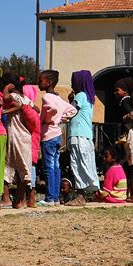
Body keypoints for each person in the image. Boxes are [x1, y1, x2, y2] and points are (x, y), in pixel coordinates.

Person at [38, 69, 76, 206]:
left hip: (48, 135)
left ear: (49, 82)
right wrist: (61, 119)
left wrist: (48, 119)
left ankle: (49, 198)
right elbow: (73, 110)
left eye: (40, 80)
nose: (38, 83)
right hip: (57, 135)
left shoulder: (47, 97)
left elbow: (51, 108)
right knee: (55, 166)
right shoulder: (59, 98)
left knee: (48, 167)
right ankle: (54, 197)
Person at [0, 73, 35, 208]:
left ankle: (7, 198)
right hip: (26, 136)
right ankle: (19, 200)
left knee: (8, 166)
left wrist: (6, 89)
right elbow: (35, 109)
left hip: (15, 136)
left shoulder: (14, 96)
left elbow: (6, 98)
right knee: (24, 169)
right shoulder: (27, 99)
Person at [66, 70, 99, 206]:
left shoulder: (80, 95)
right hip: (85, 136)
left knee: (77, 165)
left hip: (78, 136)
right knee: (85, 164)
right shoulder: (89, 97)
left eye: (73, 81)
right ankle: (86, 194)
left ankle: (80, 196)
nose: (71, 84)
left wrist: (69, 102)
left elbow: (70, 110)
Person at [113, 77, 133, 202]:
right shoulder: (127, 101)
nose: (115, 93)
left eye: (117, 90)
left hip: (131, 135)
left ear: (125, 91)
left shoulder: (125, 102)